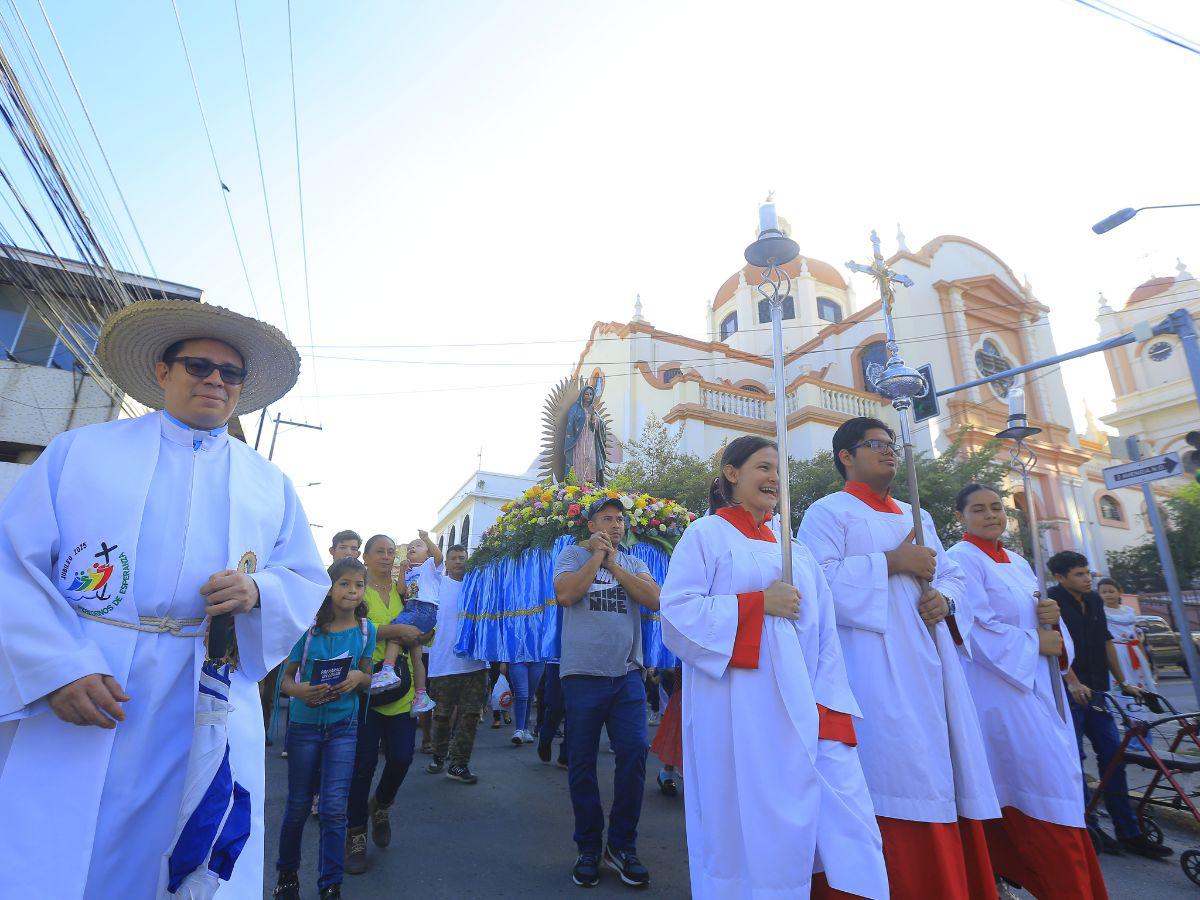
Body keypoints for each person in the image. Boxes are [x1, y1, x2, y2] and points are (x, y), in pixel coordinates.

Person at [0, 299, 328, 898]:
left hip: (205, 686)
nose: (215, 380)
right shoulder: (81, 452)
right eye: (198, 365)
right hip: (91, 676)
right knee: (70, 848)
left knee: (183, 848)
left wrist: (259, 590)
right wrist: (56, 668)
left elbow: (306, 578)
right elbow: (11, 562)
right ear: (162, 371)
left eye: (230, 373)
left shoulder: (269, 483)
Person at [661, 435, 887, 898]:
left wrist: (829, 701)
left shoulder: (795, 549)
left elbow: (824, 633)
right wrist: (758, 604)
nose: (774, 479)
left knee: (833, 822)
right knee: (738, 823)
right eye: (763, 467)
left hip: (802, 705)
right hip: (735, 708)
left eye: (778, 471)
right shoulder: (706, 534)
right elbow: (678, 616)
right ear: (731, 473)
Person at [797, 417, 999, 899]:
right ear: (846, 457)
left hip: (927, 665)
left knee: (933, 768)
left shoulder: (917, 514)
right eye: (874, 445)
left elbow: (952, 576)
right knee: (885, 770)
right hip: (868, 667)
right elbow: (815, 584)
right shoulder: (827, 513)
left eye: (891, 445)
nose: (888, 452)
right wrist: (891, 563)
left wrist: (944, 601)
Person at [946, 484, 1107, 899]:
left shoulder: (1018, 562)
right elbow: (973, 631)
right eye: (978, 509)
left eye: (996, 508)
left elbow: (1048, 630)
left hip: (1039, 686)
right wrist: (1037, 641)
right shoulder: (961, 559)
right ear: (960, 516)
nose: (990, 515)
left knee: (1058, 780)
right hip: (999, 694)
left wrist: (1052, 625)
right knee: (1037, 783)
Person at [552, 496, 661, 888]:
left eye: (619, 519)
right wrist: (596, 559)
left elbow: (654, 599)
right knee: (581, 763)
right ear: (591, 525)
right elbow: (566, 595)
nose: (615, 525)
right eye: (606, 519)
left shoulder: (632, 561)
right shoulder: (570, 555)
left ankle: (622, 845)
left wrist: (613, 562)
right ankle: (587, 846)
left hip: (627, 676)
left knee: (634, 753)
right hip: (581, 675)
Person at [1048, 550, 1173, 859]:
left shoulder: (1092, 600)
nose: (1086, 578)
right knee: (1074, 762)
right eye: (1078, 574)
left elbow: (1105, 642)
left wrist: (1123, 681)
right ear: (1061, 578)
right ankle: (1088, 826)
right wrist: (1072, 680)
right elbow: (1053, 645)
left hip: (1100, 691)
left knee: (1113, 757)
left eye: (1087, 572)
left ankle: (1129, 830)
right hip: (1069, 693)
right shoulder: (1051, 603)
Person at [273, 557, 376, 900]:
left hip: (344, 726)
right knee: (299, 804)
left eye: (358, 585)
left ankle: (331, 884)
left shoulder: (366, 630)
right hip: (303, 726)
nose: (351, 590)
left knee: (334, 807)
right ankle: (287, 875)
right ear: (329, 588)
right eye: (344, 583)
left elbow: (367, 675)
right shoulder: (307, 627)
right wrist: (301, 691)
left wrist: (359, 678)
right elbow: (286, 681)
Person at [345, 534, 421, 875]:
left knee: (403, 757)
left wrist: (414, 632)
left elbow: (419, 628)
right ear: (367, 555)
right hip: (365, 688)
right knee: (362, 766)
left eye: (392, 552)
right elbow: (356, 628)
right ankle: (356, 834)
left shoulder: (405, 591)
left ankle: (382, 805)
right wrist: (397, 630)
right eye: (381, 551)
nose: (387, 557)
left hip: (401, 687)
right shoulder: (359, 591)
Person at [425, 544, 489, 782]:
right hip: (444, 663)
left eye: (462, 557)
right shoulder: (438, 586)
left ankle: (459, 764)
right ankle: (439, 755)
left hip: (475, 663)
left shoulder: (480, 586)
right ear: (447, 562)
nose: (458, 561)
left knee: (471, 715)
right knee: (441, 715)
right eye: (453, 558)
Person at [370, 534, 442, 715]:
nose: (412, 548)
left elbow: (439, 557)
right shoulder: (409, 570)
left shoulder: (429, 566)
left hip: (423, 608)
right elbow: (402, 590)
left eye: (418, 546)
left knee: (395, 637)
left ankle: (387, 669)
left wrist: (426, 539)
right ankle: (421, 695)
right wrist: (403, 570)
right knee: (416, 655)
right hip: (412, 607)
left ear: (427, 554)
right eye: (410, 546)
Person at [1099, 577, 1154, 694]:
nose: (1108, 595)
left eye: (1111, 591)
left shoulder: (1129, 611)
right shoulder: (1100, 612)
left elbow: (1136, 638)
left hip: (1134, 653)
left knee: (1140, 682)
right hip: (1116, 652)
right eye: (1103, 592)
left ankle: (1142, 710)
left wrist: (1145, 658)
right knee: (1120, 682)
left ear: (1119, 592)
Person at [508, 659, 545, 745]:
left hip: (537, 657)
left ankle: (525, 729)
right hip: (517, 656)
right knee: (522, 695)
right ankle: (519, 730)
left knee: (529, 696)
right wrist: (502, 662)